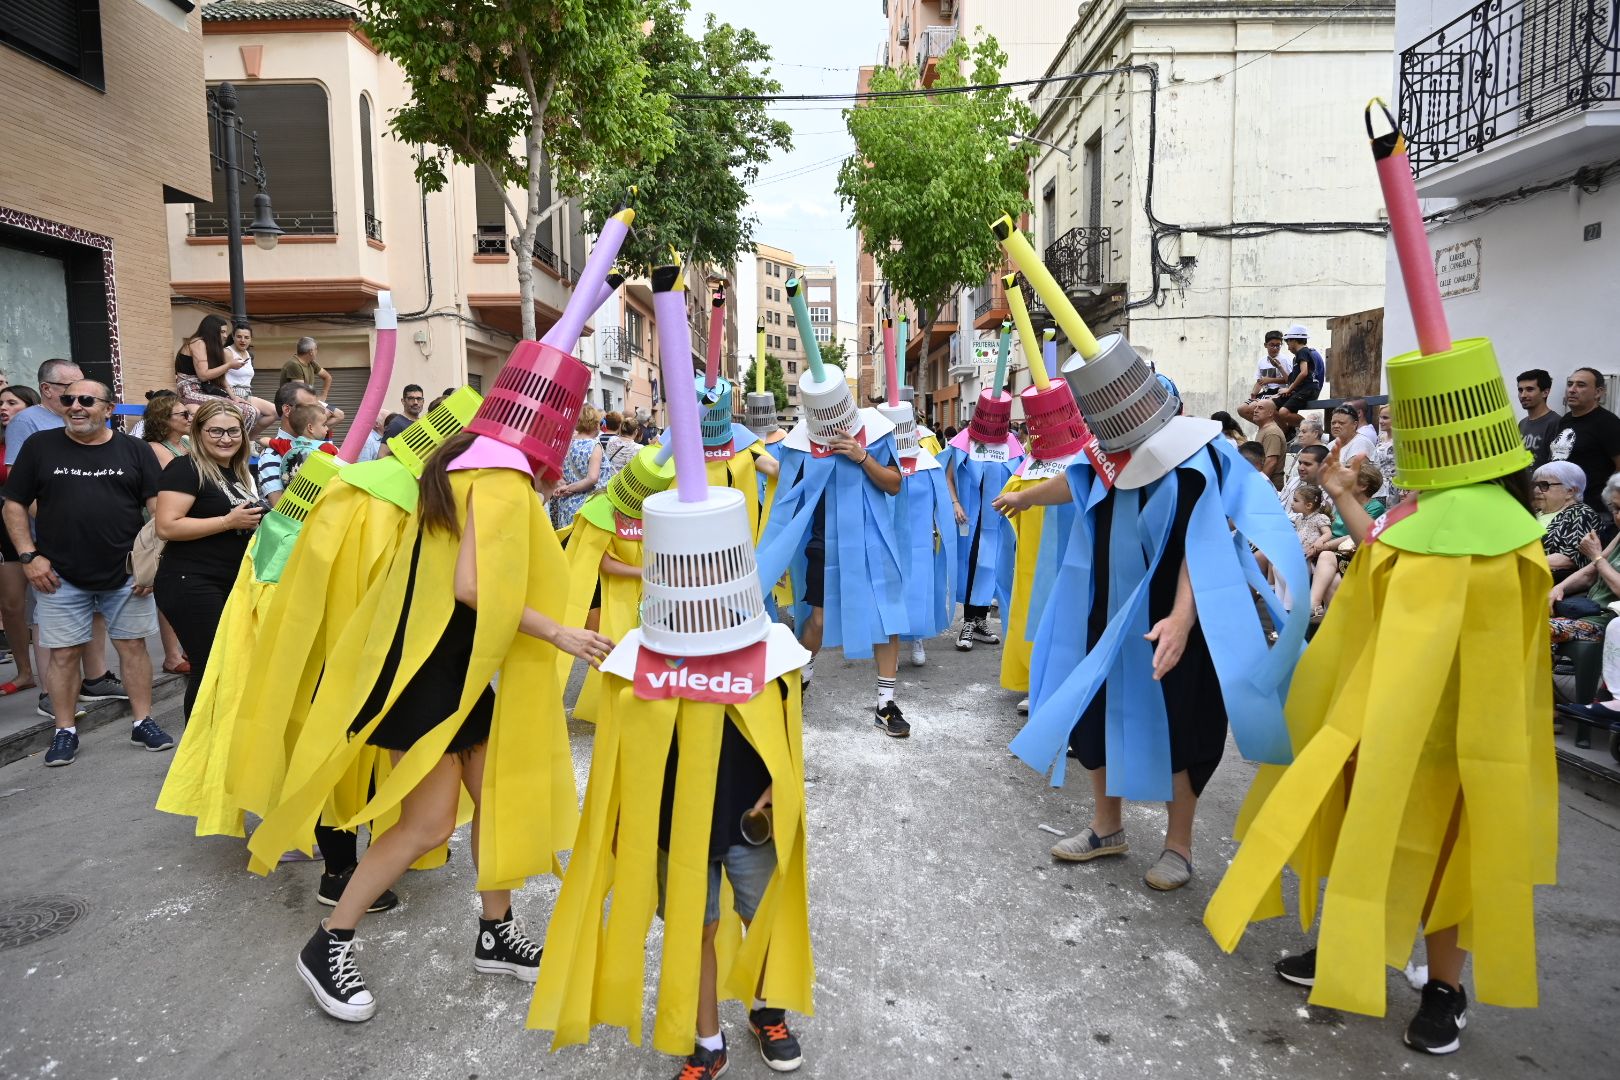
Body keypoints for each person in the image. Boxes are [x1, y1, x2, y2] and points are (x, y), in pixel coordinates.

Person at [2, 380, 169, 766]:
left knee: (133, 647)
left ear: (108, 409)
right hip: (58, 574)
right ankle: (64, 730)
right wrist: (29, 557)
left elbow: (158, 509)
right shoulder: (41, 447)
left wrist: (152, 563)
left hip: (126, 572)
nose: (75, 406)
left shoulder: (134, 449)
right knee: (63, 655)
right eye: (68, 399)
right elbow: (14, 504)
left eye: (86, 400)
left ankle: (143, 721)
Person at [5, 358, 117, 720]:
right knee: (52, 623)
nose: (77, 400)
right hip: (50, 546)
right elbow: (20, 489)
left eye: (84, 392)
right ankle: (50, 694)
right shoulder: (29, 422)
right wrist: (57, 528)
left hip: (95, 546)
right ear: (48, 390)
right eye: (69, 392)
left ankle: (96, 679)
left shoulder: (74, 422)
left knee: (95, 611)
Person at [153, 400, 265, 720]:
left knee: (229, 669)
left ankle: (219, 752)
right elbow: (167, 526)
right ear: (198, 433)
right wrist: (227, 522)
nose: (225, 438)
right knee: (212, 668)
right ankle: (198, 756)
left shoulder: (238, 472)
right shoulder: (185, 469)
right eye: (215, 431)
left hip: (228, 581)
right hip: (191, 582)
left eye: (233, 431)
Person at [0, 384, 41, 697]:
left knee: (48, 605)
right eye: (1, 403)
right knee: (12, 605)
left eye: (11, 402)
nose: (4, 408)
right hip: (8, 528)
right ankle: (25, 671)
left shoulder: (40, 438)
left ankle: (63, 676)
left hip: (44, 525)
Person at [1305, 459, 1386, 618]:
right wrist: (1319, 542)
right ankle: (1331, 623)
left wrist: (1325, 546)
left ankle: (1313, 604)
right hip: (1331, 553)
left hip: (1352, 553)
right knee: (1332, 581)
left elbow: (1357, 535)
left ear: (1363, 486)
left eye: (1349, 477)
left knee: (1326, 557)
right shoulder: (1344, 503)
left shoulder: (1375, 507)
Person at [176, 315, 271, 437]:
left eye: (226, 332)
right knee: (247, 411)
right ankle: (236, 445)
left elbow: (219, 378)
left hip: (204, 390)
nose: (225, 335)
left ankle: (237, 445)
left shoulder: (209, 346)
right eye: (222, 332)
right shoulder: (198, 343)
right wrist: (229, 365)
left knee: (250, 411)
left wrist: (233, 397)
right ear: (212, 331)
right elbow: (204, 375)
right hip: (189, 391)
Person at [1548, 366, 1620, 520]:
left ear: (1598, 392)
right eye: (1570, 384)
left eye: (1581, 385)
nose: (1572, 390)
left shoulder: (1608, 423)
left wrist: (1607, 500)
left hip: (1594, 512)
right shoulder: (1565, 420)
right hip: (1562, 508)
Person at [256, 381, 322, 507]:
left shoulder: (318, 444)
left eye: (316, 408)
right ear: (287, 410)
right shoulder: (271, 454)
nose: (316, 415)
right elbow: (280, 507)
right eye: (309, 408)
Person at [1534, 461, 1603, 574]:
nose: (1536, 491)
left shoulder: (1581, 514)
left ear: (1570, 491)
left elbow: (1568, 559)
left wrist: (1518, 562)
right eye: (1535, 485)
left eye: (1544, 485)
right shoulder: (1532, 512)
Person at [550, 405, 604, 530]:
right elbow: (592, 478)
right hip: (587, 505)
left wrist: (564, 486)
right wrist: (569, 488)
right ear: (595, 423)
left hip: (565, 504)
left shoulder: (566, 443)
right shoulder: (594, 445)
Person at [1275, 325, 1325, 430]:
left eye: (1288, 341)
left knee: (1283, 412)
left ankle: (1312, 429)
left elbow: (1304, 373)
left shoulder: (1302, 352)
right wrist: (1279, 367)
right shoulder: (1300, 355)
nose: (1287, 345)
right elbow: (1292, 378)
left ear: (1294, 340)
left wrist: (1289, 389)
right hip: (1303, 390)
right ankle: (1299, 429)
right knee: (1280, 409)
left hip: (1308, 390)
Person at [1237, 329, 1292, 423]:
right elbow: (1260, 381)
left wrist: (1270, 380)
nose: (1275, 348)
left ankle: (1283, 430)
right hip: (1266, 392)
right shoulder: (1262, 361)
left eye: (1278, 345)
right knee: (1242, 409)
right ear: (1265, 345)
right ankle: (1265, 426)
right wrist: (1254, 394)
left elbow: (1290, 380)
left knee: (1253, 407)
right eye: (1272, 345)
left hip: (1279, 392)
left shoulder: (1284, 360)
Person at [1517, 368, 1560, 469]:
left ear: (1545, 392)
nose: (1523, 395)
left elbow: (1556, 465)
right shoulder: (1522, 423)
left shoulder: (1556, 423)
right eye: (1520, 390)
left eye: (1530, 389)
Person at [140, 394, 193, 471]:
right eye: (185, 414)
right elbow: (178, 474)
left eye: (189, 414)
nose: (191, 419)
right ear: (164, 419)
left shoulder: (186, 441)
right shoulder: (154, 448)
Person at [1249, 397, 1288, 490]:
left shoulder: (1272, 431)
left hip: (1270, 485)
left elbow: (1271, 462)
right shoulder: (1264, 429)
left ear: (1270, 413)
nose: (1255, 410)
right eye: (1256, 407)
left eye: (1260, 408)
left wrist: (1258, 485)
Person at [224, 325, 259, 402]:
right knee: (273, 410)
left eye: (246, 337)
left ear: (251, 339)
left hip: (247, 393)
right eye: (239, 337)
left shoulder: (248, 354)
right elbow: (221, 378)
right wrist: (233, 397)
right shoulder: (227, 352)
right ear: (233, 337)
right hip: (233, 393)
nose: (243, 340)